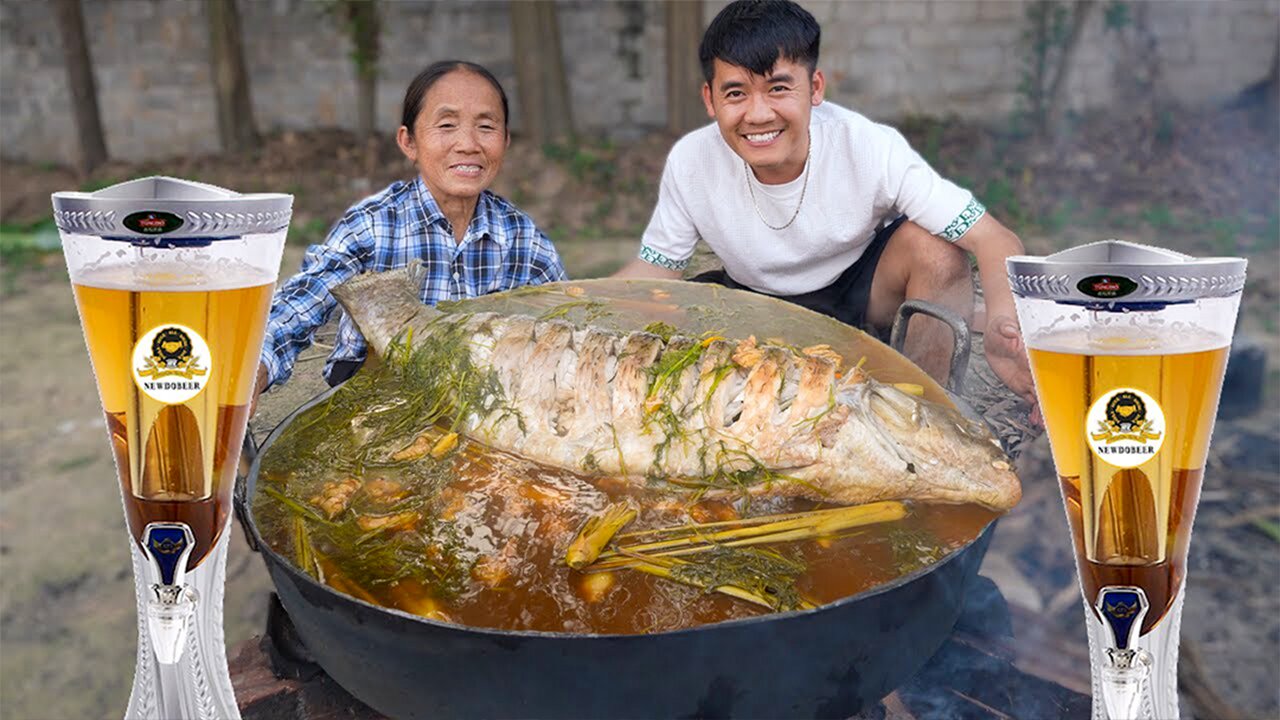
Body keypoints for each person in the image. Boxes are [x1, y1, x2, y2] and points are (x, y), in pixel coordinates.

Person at [614, 0, 1035, 412]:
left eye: (778, 88)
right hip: (749, 302)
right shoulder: (691, 161)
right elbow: (656, 268)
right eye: (736, 93)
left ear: (814, 88)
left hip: (859, 290)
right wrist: (564, 304)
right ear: (710, 100)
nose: (758, 114)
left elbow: (993, 237)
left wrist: (1002, 323)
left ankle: (920, 413)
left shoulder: (869, 147)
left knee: (938, 250)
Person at [256, 60, 567, 395]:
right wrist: (252, 372)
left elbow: (567, 333)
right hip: (370, 410)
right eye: (446, 125)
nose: (468, 144)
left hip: (482, 408)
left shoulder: (523, 240)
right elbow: (296, 309)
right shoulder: (372, 226)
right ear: (409, 143)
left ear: (505, 141)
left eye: (486, 127)